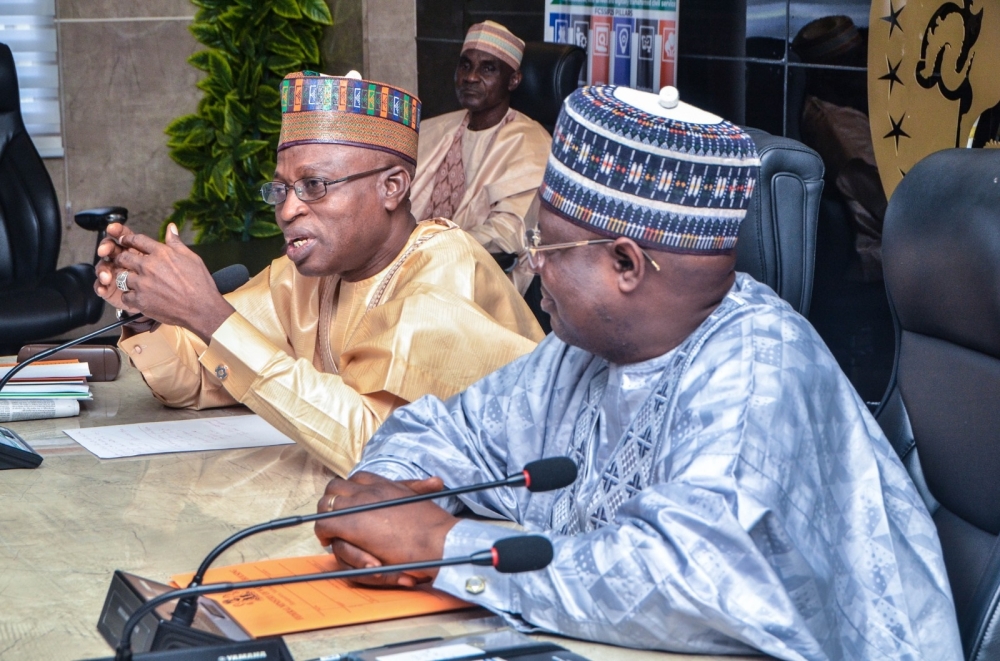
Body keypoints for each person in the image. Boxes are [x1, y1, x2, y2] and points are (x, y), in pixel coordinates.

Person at [312, 86, 963, 659]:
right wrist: (387, 504)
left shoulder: (761, 372)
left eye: (548, 246)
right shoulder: (586, 346)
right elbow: (448, 428)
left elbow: (685, 580)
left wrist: (445, 542)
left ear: (625, 264)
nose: (533, 266)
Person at [93, 71, 543, 476]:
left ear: (392, 187)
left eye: (314, 186)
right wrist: (149, 313)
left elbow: (381, 452)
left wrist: (210, 314)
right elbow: (197, 377)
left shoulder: (443, 275)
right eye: (283, 189)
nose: (288, 210)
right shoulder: (308, 275)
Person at [409, 20, 551, 293]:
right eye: (465, 65)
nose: (471, 77)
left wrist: (430, 250)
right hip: (404, 264)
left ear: (513, 80)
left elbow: (506, 233)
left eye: (488, 68)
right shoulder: (432, 129)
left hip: (475, 279)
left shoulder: (532, 144)